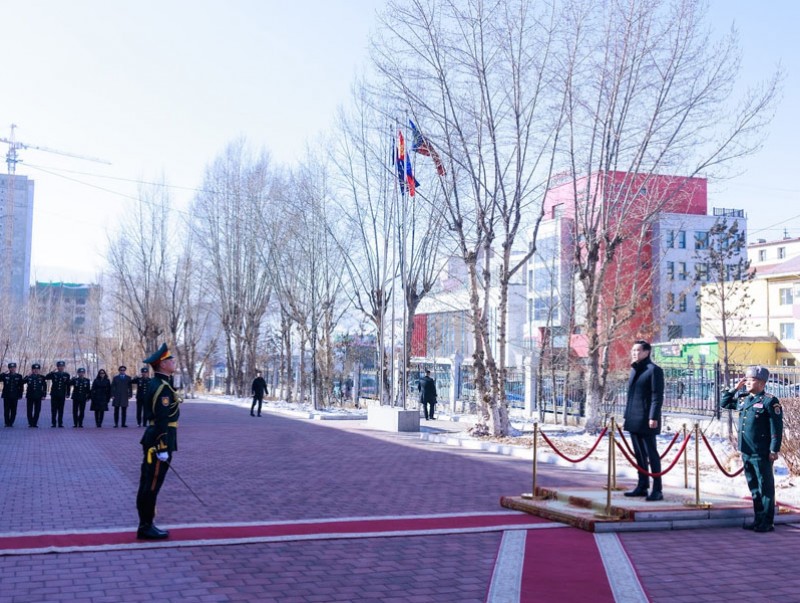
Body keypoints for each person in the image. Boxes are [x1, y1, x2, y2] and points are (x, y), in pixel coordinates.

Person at [720, 366, 784, 533]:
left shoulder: (770, 401)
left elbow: (776, 428)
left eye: (752, 380)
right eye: (746, 379)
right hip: (747, 450)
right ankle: (758, 518)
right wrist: (735, 389)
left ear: (762, 383)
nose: (747, 382)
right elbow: (724, 403)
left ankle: (767, 521)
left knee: (765, 486)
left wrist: (774, 449)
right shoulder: (744, 399)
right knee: (754, 487)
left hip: (761, 451)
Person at [136, 343, 182, 540]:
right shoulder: (162, 387)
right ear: (162, 364)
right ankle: (146, 526)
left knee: (149, 482)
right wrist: (163, 445)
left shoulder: (160, 383)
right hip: (159, 441)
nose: (173, 362)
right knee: (151, 484)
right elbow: (162, 418)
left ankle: (146, 524)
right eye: (170, 360)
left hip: (155, 438)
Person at [622, 340, 665, 502]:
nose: (634, 353)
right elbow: (631, 395)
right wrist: (627, 415)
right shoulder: (635, 369)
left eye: (638, 350)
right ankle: (642, 485)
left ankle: (657, 489)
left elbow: (657, 396)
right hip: (633, 417)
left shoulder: (654, 370)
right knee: (639, 454)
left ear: (647, 352)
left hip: (647, 419)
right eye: (633, 350)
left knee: (651, 454)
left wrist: (653, 416)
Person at [45, 360, 71, 428]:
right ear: (57, 367)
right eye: (59, 366)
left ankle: (60, 423)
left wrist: (68, 393)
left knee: (61, 409)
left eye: (62, 366)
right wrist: (51, 372)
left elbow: (68, 385)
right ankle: (53, 423)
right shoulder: (54, 374)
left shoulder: (66, 375)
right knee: (53, 409)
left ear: (64, 367)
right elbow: (46, 377)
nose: (61, 367)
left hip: (62, 394)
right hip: (54, 394)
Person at [23, 363, 48, 428]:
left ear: (39, 370)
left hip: (38, 396)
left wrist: (44, 395)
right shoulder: (29, 377)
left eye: (37, 369)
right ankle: (30, 423)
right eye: (34, 369)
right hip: (30, 396)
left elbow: (44, 387)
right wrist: (27, 376)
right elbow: (22, 382)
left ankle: (35, 423)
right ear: (32, 370)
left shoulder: (42, 377)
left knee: (37, 410)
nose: (36, 370)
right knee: (29, 410)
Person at [1, 362, 24, 427]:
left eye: (14, 367)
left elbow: (21, 386)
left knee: (13, 410)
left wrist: (20, 395)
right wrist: (2, 373)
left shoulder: (19, 376)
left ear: (15, 368)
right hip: (7, 396)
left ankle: (11, 422)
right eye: (11, 368)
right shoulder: (5, 376)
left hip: (15, 396)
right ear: (9, 368)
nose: (12, 369)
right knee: (6, 410)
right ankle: (6, 423)